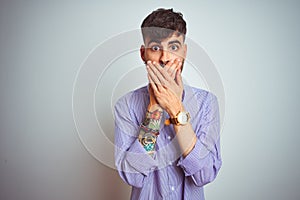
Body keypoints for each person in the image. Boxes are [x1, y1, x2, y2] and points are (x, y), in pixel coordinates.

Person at [114, 8, 222, 200]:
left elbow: (204, 175)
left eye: (173, 47)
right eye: (155, 48)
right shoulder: (126, 105)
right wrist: (154, 108)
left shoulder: (207, 103)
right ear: (143, 54)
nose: (164, 58)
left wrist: (175, 108)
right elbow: (132, 176)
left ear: (184, 52)